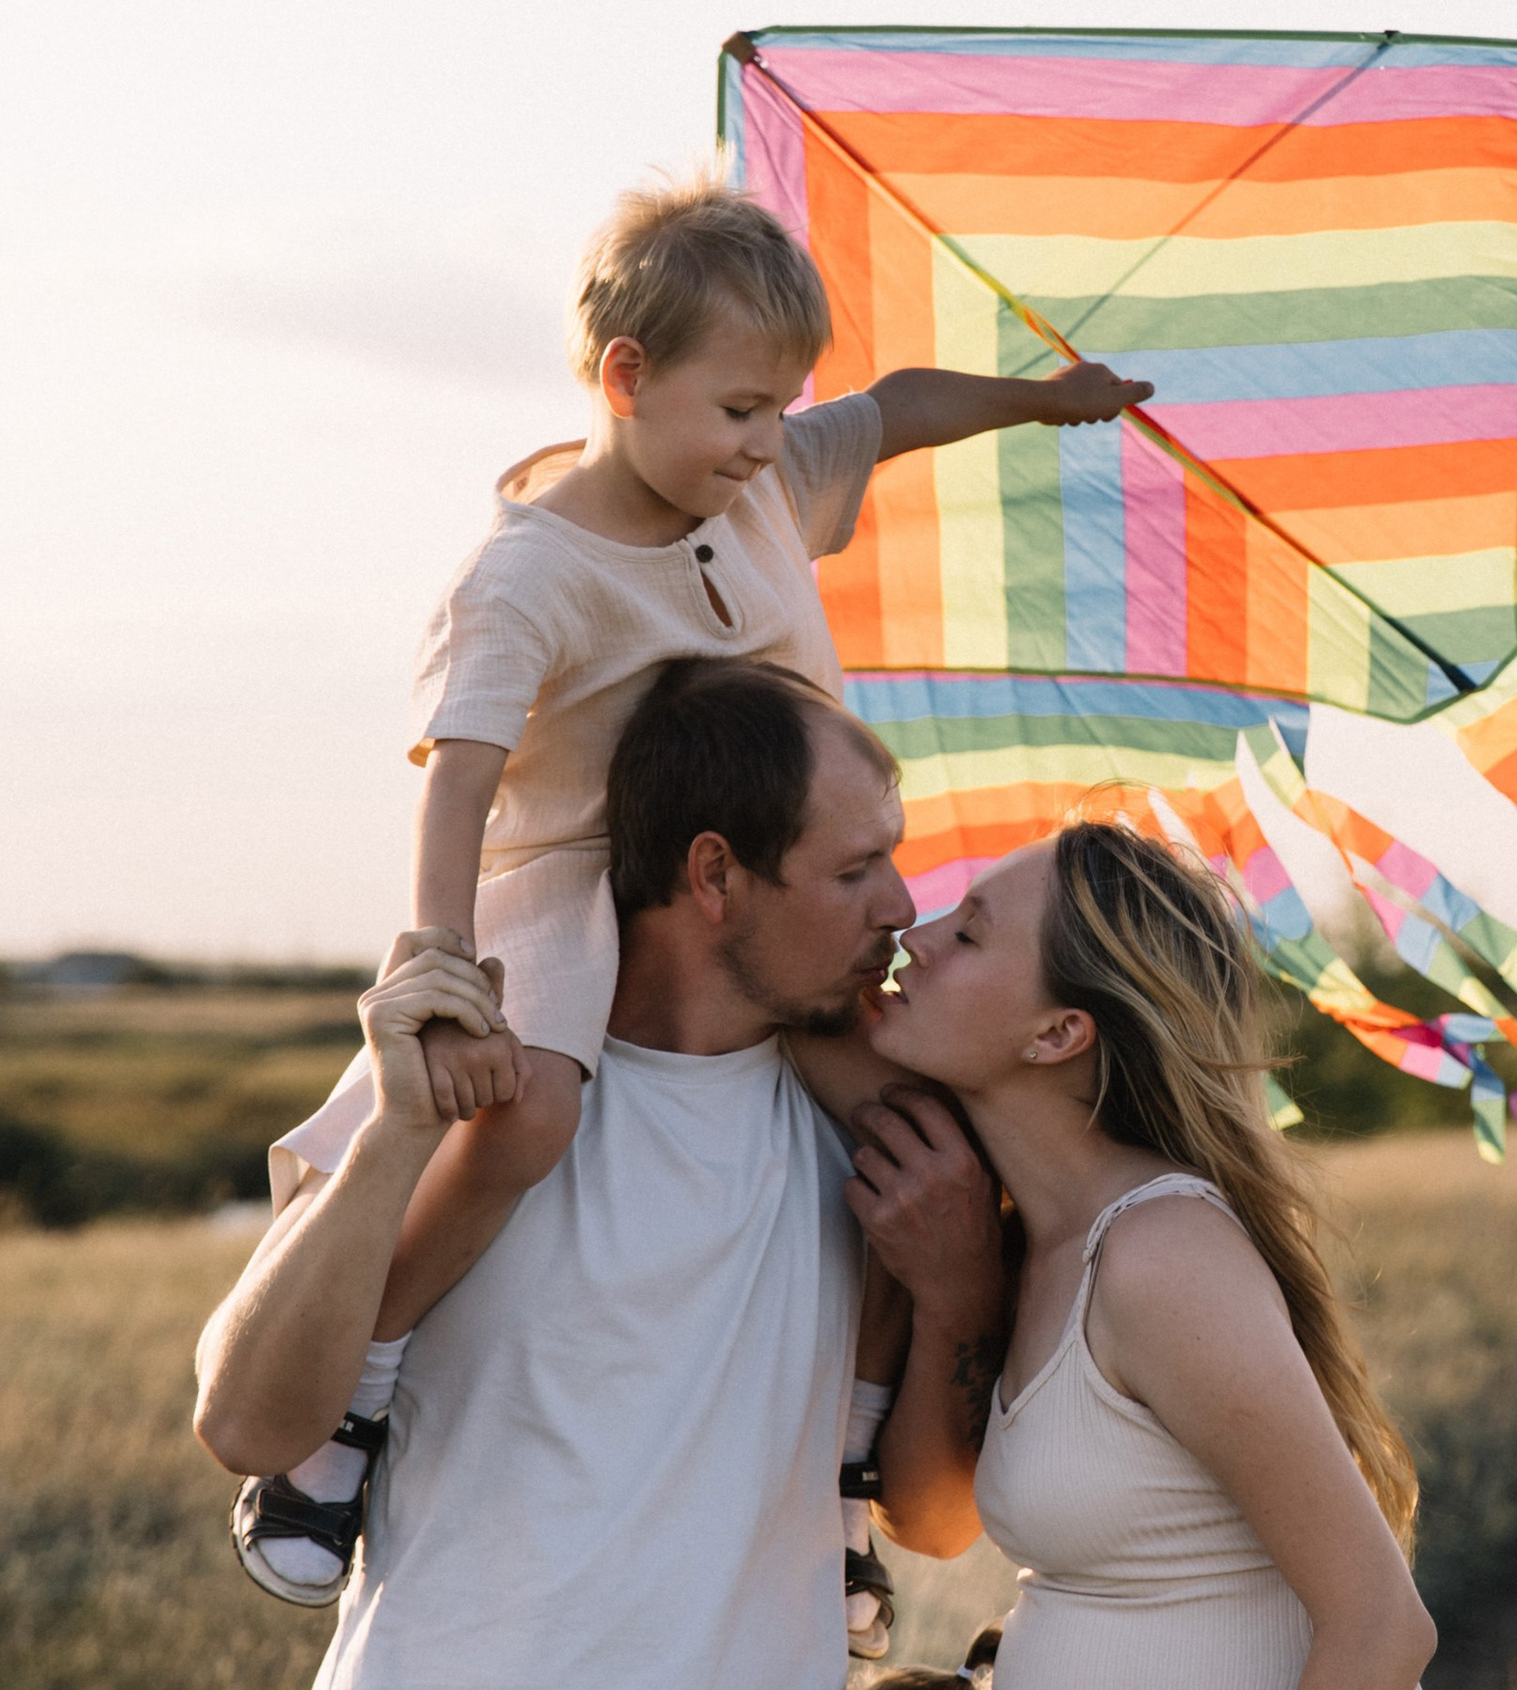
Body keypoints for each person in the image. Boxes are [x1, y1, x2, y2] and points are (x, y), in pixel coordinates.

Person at [230, 169, 1149, 1615]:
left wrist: (1042, 400)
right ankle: (358, 1396)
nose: (770, 438)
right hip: (577, 898)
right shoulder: (528, 571)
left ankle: (849, 1468)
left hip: (777, 907)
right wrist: (440, 961)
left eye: (783, 406)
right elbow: (460, 779)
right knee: (528, 1108)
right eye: (740, 408)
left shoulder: (766, 481)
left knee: (920, 1146)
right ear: (625, 375)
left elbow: (898, 406)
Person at [194, 657, 1008, 1688]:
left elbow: (935, 1525)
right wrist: (397, 1132)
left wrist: (966, 1286)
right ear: (714, 875)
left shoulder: (881, 1136)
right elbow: (242, 1421)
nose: (899, 904)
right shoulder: (485, 1063)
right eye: (854, 872)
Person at [861, 819, 1438, 1690]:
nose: (918, 934)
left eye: (970, 932)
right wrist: (957, 1296)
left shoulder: (1159, 1254)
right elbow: (930, 1523)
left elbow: (1384, 1626)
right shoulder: (1037, 1239)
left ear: (1057, 1034)